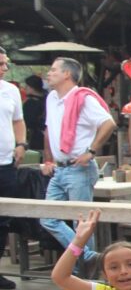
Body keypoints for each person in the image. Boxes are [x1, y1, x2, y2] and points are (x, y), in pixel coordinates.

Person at [40, 57, 116, 268]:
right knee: (47, 217)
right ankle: (88, 256)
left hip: (79, 168)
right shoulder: (52, 98)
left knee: (80, 222)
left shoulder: (83, 98)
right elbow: (49, 130)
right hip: (60, 168)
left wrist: (91, 151)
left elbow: (108, 123)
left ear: (67, 74)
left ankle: (82, 269)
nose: (49, 73)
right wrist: (48, 158)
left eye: (54, 70)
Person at [0, 47, 26, 290]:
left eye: (5, 63)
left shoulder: (10, 91)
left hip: (6, 163)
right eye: (1, 64)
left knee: (3, 219)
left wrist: (21, 143)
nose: (5, 68)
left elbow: (18, 120)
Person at [22, 74, 46, 151]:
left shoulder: (31, 103)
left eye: (27, 86)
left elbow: (27, 122)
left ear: (32, 87)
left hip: (35, 138)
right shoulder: (48, 99)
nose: (25, 89)